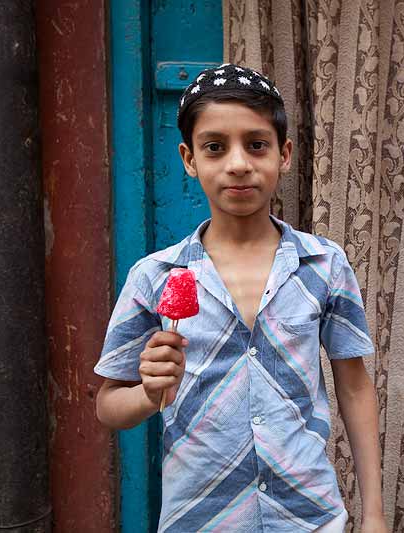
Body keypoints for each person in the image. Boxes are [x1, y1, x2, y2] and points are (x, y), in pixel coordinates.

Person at [95, 63, 386, 533]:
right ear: (189, 159)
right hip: (200, 519)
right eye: (215, 147)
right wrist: (148, 394)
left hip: (307, 517)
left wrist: (374, 514)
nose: (238, 163)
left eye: (256, 144)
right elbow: (108, 406)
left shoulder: (324, 265)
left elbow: (354, 387)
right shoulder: (156, 276)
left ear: (283, 154)